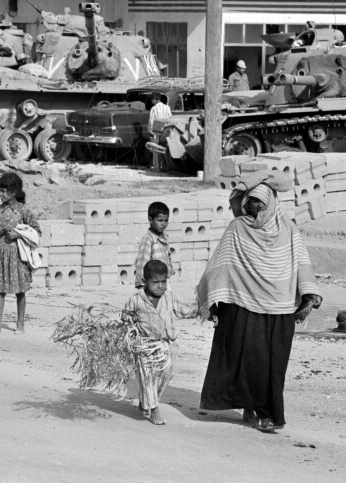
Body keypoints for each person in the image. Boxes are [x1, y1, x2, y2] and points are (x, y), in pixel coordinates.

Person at [197, 170, 322, 432]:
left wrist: (309, 295)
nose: (255, 207)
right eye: (251, 201)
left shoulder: (288, 229)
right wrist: (214, 302)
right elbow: (222, 265)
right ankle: (253, 409)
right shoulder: (238, 228)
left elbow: (301, 263)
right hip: (243, 305)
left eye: (260, 202)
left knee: (272, 366)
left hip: (279, 308)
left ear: (272, 203)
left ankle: (266, 411)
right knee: (245, 359)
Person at [122, 260, 198, 425]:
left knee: (165, 374)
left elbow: (184, 310)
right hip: (143, 346)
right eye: (156, 282)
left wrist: (202, 308)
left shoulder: (169, 297)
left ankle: (146, 401)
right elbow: (125, 315)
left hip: (163, 345)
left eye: (163, 281)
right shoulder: (136, 299)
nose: (160, 286)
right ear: (145, 281)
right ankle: (154, 409)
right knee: (147, 377)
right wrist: (130, 319)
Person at [0, 172, 41, 335]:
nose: (1, 194)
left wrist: (18, 235)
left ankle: (20, 324)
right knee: (0, 289)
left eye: (4, 191)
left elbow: (37, 231)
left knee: (20, 290)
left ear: (14, 191)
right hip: (2, 254)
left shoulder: (23, 211)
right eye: (0, 191)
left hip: (19, 255)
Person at [134, 201, 175, 289]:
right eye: (160, 220)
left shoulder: (164, 238)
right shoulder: (148, 240)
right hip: (152, 284)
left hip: (164, 281)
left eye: (166, 220)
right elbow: (141, 265)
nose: (163, 224)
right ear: (150, 220)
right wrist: (141, 287)